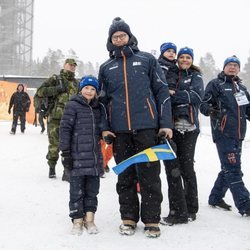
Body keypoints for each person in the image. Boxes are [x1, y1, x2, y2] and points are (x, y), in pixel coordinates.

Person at [98, 17, 173, 238]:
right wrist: (105, 128)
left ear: (130, 37)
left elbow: (162, 92)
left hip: (147, 129)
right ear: (111, 40)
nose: (119, 39)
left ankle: (151, 220)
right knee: (126, 177)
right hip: (120, 132)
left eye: (123, 35)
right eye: (115, 36)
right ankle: (128, 218)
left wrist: (165, 123)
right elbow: (102, 101)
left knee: (150, 175)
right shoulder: (106, 67)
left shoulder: (147, 60)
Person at [200, 56, 250, 216]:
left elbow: (247, 111)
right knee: (233, 170)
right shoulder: (216, 84)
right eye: (230, 65)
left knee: (228, 169)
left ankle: (215, 198)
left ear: (239, 69)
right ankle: (246, 205)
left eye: (236, 65)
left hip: (239, 135)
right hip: (223, 133)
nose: (233, 68)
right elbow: (203, 105)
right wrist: (213, 112)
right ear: (224, 67)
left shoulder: (241, 88)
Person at [59, 76, 104, 235]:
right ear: (81, 89)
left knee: (92, 190)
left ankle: (90, 219)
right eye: (86, 88)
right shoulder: (72, 105)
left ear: (96, 92)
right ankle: (77, 220)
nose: (89, 91)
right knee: (76, 190)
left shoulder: (99, 108)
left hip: (93, 157)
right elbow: (65, 129)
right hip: (77, 156)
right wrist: (65, 152)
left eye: (93, 89)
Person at [166, 47, 204, 223]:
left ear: (192, 60)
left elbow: (196, 96)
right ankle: (177, 209)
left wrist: (176, 94)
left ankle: (191, 207)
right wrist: (181, 95)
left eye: (188, 57)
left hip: (189, 130)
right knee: (173, 170)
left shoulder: (196, 76)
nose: (184, 59)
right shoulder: (171, 74)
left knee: (187, 169)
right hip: (172, 130)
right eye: (182, 57)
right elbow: (164, 96)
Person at [158, 43, 189, 225]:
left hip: (168, 124)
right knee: (171, 169)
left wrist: (172, 93)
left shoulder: (174, 70)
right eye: (168, 51)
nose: (171, 54)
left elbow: (167, 96)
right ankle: (180, 211)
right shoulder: (158, 66)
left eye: (173, 52)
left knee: (173, 169)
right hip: (166, 122)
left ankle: (179, 213)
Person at [36, 58, 78, 180]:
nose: (72, 67)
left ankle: (67, 170)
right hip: (55, 118)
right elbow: (40, 92)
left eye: (74, 66)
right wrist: (56, 89)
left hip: (71, 119)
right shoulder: (55, 79)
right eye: (70, 65)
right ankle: (52, 168)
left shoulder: (76, 83)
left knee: (70, 145)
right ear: (64, 65)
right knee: (54, 145)